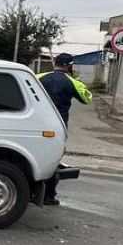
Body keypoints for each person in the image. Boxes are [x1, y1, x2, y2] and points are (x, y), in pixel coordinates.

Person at [36, 53, 93, 205]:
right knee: (52, 159)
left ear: (54, 63)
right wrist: (76, 80)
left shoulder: (38, 77)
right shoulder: (72, 82)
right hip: (58, 127)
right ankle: (48, 196)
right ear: (69, 66)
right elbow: (87, 98)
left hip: (36, 124)